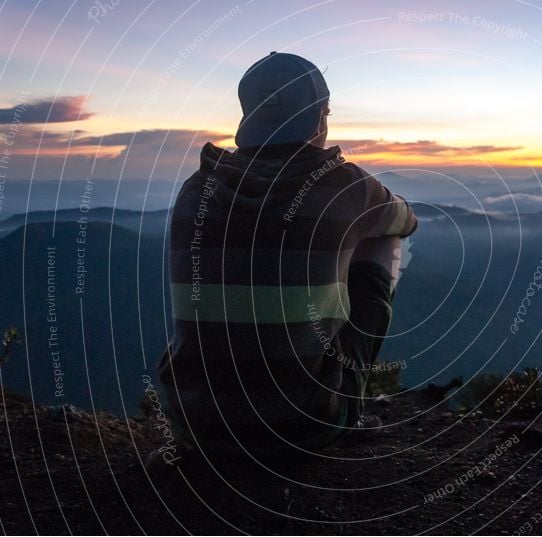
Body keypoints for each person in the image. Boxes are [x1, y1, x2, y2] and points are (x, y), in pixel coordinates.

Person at [156, 52, 417, 460]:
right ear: (319, 118)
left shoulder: (196, 187)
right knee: (383, 239)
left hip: (194, 424)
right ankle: (343, 399)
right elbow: (407, 221)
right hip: (304, 427)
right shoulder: (347, 185)